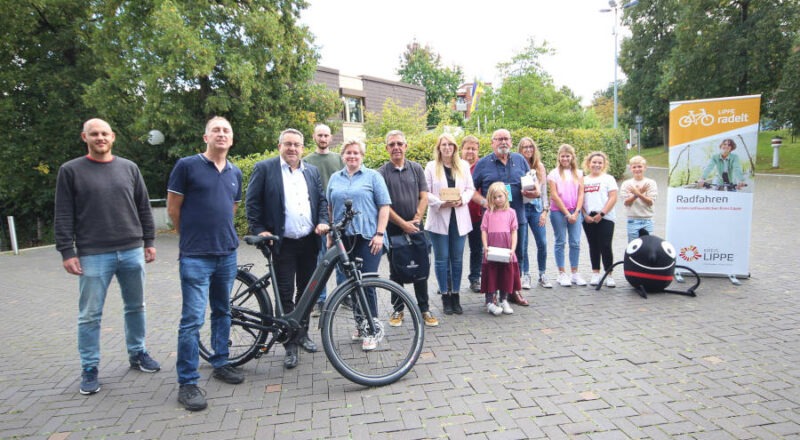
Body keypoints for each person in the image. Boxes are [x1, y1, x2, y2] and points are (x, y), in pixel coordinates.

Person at [55, 118, 161, 396]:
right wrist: (67, 251)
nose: (100, 138)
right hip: (93, 253)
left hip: (131, 250)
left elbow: (143, 207)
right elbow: (63, 213)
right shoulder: (71, 171)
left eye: (104, 133)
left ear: (113, 137)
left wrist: (149, 241)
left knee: (136, 306)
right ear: (84, 137)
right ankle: (89, 367)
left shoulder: (129, 168)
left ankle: (137, 353)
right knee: (90, 315)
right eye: (94, 134)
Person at [167, 116, 244, 411]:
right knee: (192, 320)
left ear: (231, 139)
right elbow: (174, 209)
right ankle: (187, 382)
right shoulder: (187, 166)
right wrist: (188, 237)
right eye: (216, 130)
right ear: (206, 137)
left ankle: (220, 362)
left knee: (223, 311)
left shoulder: (235, 172)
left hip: (227, 253)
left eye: (226, 130)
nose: (221, 134)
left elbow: (231, 208)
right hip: (196, 256)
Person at [245, 128, 330, 370]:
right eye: (288, 144)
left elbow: (321, 201)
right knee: (285, 295)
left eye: (296, 145)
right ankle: (288, 344)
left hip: (308, 242)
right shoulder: (265, 169)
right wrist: (259, 229)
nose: (292, 148)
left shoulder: (311, 171)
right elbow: (252, 203)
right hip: (281, 243)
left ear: (303, 148)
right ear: (280, 146)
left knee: (306, 293)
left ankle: (302, 335)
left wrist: (323, 220)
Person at [327, 139, 391, 351]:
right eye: (348, 153)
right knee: (350, 284)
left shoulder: (373, 177)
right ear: (342, 155)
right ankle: (360, 325)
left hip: (368, 237)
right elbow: (329, 206)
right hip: (343, 239)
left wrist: (380, 234)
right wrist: (330, 233)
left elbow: (384, 207)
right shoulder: (335, 178)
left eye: (356, 153)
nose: (352, 156)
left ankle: (372, 329)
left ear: (362, 156)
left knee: (366, 282)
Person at [378, 130, 438, 327]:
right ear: (387, 148)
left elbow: (424, 196)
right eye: (392, 144)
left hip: (416, 227)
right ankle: (398, 310)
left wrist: (417, 218)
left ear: (406, 146)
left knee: (420, 268)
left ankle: (424, 309)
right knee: (396, 271)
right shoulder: (381, 173)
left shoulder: (416, 168)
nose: (396, 147)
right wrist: (403, 224)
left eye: (399, 143)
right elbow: (383, 204)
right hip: (393, 230)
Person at [472, 129, 532, 306]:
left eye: (506, 139)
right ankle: (493, 293)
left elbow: (531, 184)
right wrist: (485, 203)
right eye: (499, 139)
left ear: (511, 142)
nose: (503, 142)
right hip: (494, 224)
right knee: (493, 259)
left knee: (517, 255)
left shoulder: (520, 160)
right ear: (492, 142)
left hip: (516, 217)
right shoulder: (482, 164)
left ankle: (514, 290)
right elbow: (471, 190)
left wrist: (534, 191)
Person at [424, 133, 475, 315]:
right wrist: (440, 202)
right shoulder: (431, 167)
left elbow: (470, 189)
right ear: (439, 147)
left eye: (450, 145)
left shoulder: (463, 165)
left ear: (454, 148)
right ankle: (445, 295)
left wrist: (462, 199)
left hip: (459, 217)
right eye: (443, 144)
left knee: (457, 259)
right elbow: (425, 192)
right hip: (440, 217)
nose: (447, 147)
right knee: (441, 259)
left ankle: (456, 294)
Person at [303, 124, 344, 317]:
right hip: (317, 218)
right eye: (320, 135)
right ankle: (320, 299)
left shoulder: (339, 159)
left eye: (326, 135)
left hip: (338, 216)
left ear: (331, 137)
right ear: (314, 137)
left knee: (341, 258)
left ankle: (345, 295)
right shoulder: (306, 161)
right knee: (321, 260)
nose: (323, 138)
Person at [548, 144, 586, 287]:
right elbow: (554, 195)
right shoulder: (553, 174)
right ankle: (562, 273)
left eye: (567, 156)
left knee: (575, 242)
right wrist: (566, 213)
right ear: (559, 157)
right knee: (560, 241)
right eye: (562, 156)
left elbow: (581, 193)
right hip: (559, 212)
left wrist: (576, 212)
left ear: (572, 157)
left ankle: (575, 272)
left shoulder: (579, 173)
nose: (565, 158)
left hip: (575, 212)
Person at [480, 182, 521, 316]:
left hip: (506, 249)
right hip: (492, 250)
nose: (497, 200)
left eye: (500, 196)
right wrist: (485, 246)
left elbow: (514, 231)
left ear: (506, 195)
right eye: (494, 197)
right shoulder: (488, 213)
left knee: (505, 274)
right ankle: (490, 301)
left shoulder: (511, 212)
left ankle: (504, 299)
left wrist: (513, 248)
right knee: (491, 274)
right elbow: (484, 230)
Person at [517, 137, 552, 290]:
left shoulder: (540, 167)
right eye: (524, 147)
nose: (528, 150)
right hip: (522, 209)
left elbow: (544, 192)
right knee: (522, 245)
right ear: (520, 150)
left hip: (537, 209)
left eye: (530, 147)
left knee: (542, 243)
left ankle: (542, 273)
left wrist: (545, 211)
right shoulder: (516, 166)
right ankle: (526, 274)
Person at [581, 151, 619, 287]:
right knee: (593, 245)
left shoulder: (608, 179)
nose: (596, 165)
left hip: (605, 217)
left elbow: (613, 197)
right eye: (594, 162)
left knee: (605, 246)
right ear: (588, 163)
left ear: (604, 164)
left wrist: (601, 214)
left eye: (599, 163)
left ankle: (609, 274)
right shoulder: (583, 180)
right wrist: (585, 215)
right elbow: (580, 200)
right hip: (588, 218)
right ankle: (595, 273)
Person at [461, 136, 484, 293]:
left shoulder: (483, 166)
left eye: (473, 149)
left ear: (478, 150)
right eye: (467, 148)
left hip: (478, 215)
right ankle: (448, 281)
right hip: (458, 215)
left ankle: (475, 278)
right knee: (455, 251)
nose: (470, 151)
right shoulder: (456, 166)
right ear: (461, 149)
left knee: (477, 249)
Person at [620, 156, 658, 242]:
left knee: (648, 246)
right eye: (634, 167)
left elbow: (650, 202)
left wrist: (638, 194)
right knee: (634, 246)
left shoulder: (651, 183)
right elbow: (626, 203)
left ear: (645, 167)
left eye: (639, 166)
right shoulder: (626, 184)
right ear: (630, 168)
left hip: (647, 220)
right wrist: (636, 195)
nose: (637, 169)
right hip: (632, 220)